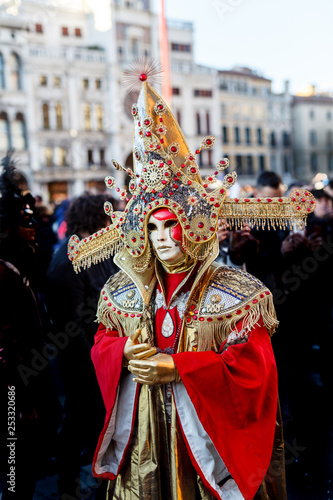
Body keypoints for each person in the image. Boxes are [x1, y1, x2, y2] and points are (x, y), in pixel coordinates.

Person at [68, 71, 316, 499]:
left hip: (205, 446)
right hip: (144, 441)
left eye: (171, 226)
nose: (161, 238)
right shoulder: (120, 294)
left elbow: (256, 372)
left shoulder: (237, 294)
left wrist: (180, 368)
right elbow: (102, 340)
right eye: (152, 228)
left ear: (195, 227)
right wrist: (121, 351)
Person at [45, 192, 119, 499]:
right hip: (83, 360)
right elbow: (72, 326)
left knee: (86, 423)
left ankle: (88, 483)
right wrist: (100, 360)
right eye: (109, 217)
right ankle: (73, 486)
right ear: (96, 220)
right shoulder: (68, 261)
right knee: (83, 423)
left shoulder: (95, 253)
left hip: (99, 356)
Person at [0, 152, 61, 499]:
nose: (33, 226)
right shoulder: (2, 273)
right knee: (14, 467)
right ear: (7, 228)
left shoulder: (18, 266)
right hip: (13, 392)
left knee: (26, 466)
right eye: (25, 221)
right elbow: (4, 347)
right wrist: (20, 402)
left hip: (31, 382)